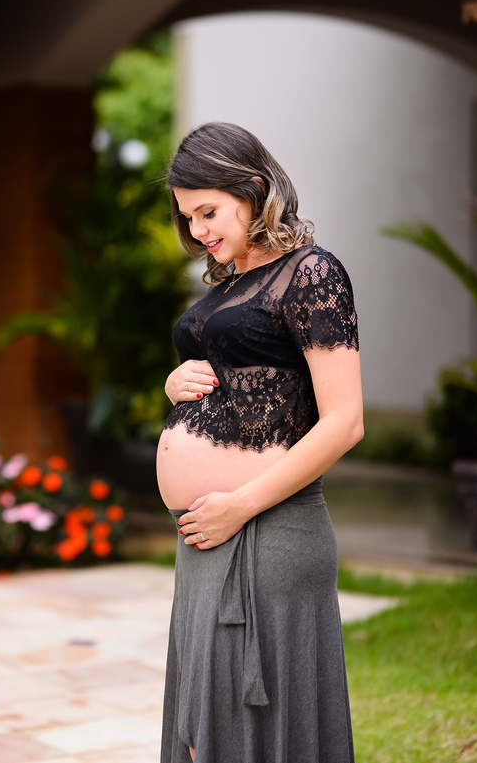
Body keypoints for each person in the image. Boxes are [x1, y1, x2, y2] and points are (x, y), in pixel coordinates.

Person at [156, 122, 362, 763]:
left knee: (247, 729)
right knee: (203, 733)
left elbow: (344, 422)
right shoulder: (226, 285)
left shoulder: (312, 273)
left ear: (252, 190)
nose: (197, 231)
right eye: (188, 217)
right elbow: (237, 378)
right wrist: (174, 383)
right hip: (208, 532)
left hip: (268, 530)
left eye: (208, 212)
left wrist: (240, 505)